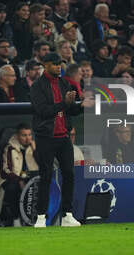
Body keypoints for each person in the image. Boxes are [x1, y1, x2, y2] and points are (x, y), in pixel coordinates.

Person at [30, 52, 94, 228]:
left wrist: (80, 106)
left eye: (60, 64)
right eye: (55, 64)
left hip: (63, 136)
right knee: (46, 176)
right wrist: (64, 104)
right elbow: (43, 111)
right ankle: (41, 217)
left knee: (69, 174)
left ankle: (67, 214)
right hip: (45, 137)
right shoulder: (37, 86)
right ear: (46, 64)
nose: (59, 67)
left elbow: (70, 110)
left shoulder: (65, 83)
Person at [0, 123, 39, 227]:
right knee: (13, 188)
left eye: (29, 135)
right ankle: (16, 219)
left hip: (32, 179)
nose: (27, 138)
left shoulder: (35, 147)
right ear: (17, 136)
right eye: (24, 135)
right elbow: (6, 171)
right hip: (12, 179)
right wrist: (20, 181)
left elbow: (43, 166)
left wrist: (35, 150)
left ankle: (36, 218)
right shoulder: (10, 148)